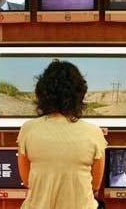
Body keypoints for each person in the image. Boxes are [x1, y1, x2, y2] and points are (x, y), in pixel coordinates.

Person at [17, 60, 107, 209]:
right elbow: (95, 185)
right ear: (79, 94)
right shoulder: (94, 132)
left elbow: (27, 181)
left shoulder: (28, 129)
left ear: (42, 93)